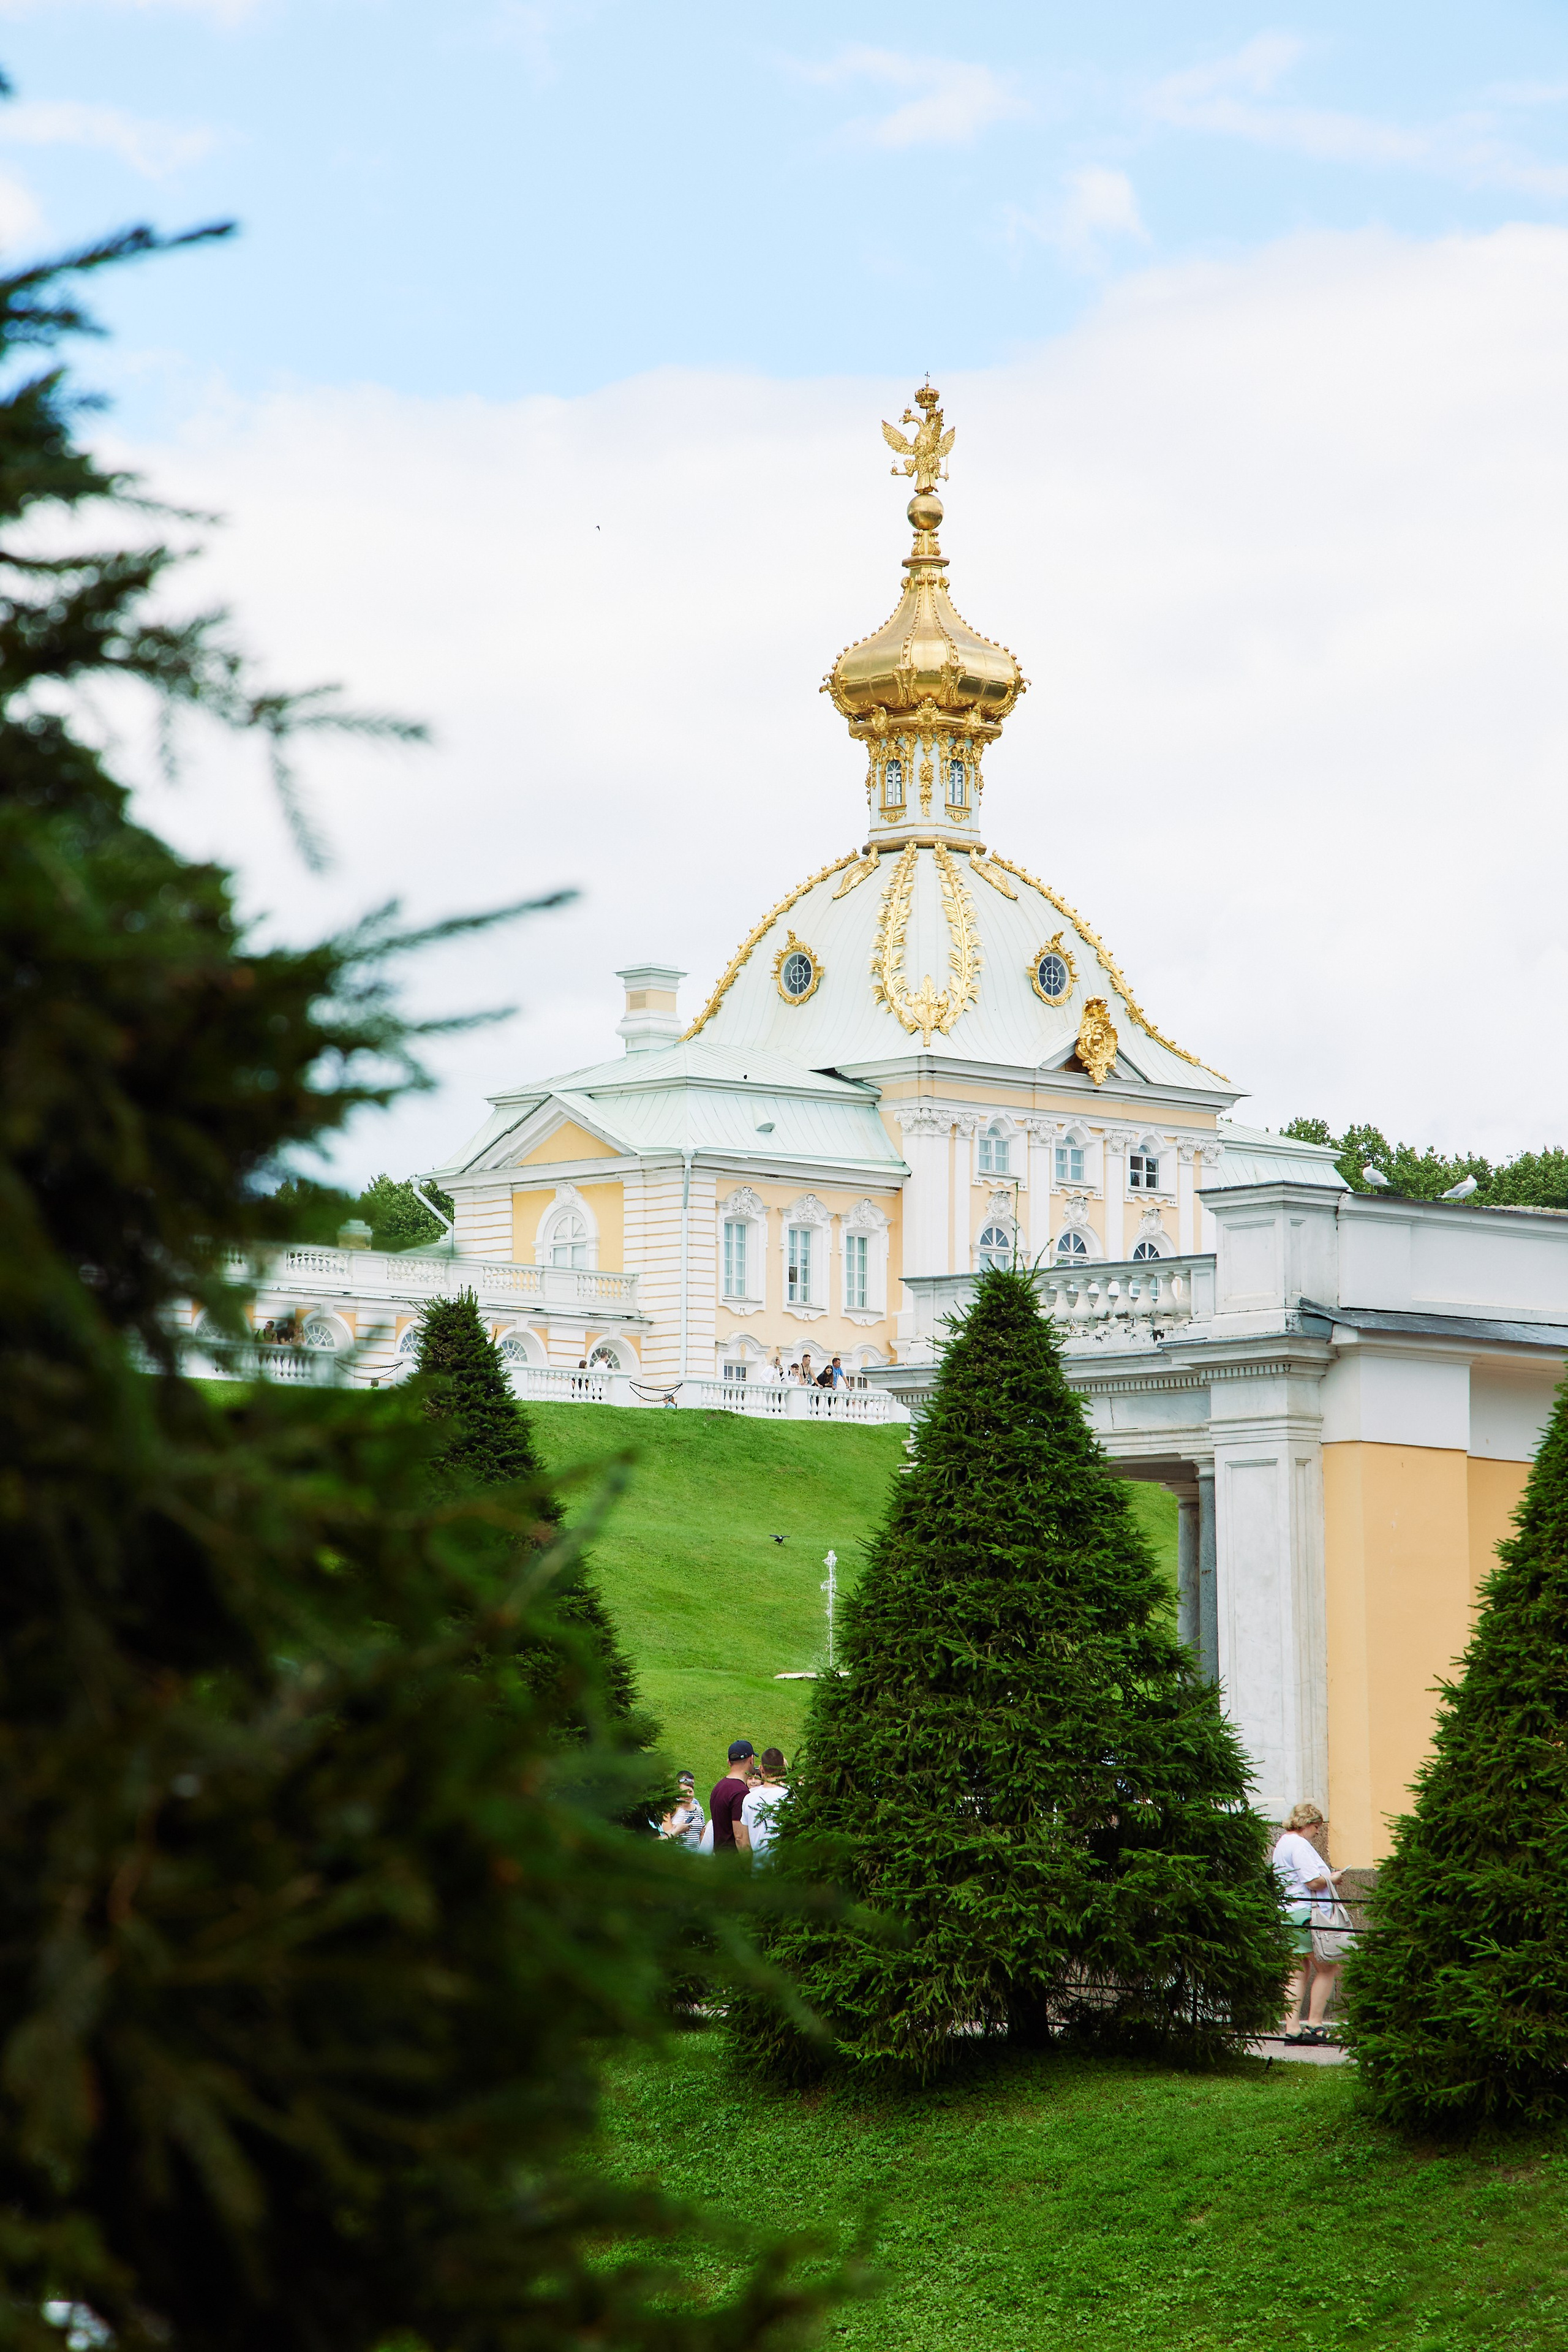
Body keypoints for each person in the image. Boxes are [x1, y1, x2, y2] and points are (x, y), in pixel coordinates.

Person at [1272, 1801, 1348, 2043]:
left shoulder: (1283, 1842)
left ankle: (1292, 2028)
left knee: (1297, 1970)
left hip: (1287, 1912)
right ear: (1308, 1824)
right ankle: (1315, 2024)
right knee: (1328, 1967)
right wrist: (1332, 1878)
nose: (1317, 1833)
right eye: (1317, 1827)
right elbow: (1312, 1882)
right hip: (1306, 1913)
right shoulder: (1300, 1844)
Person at [740, 1747, 789, 1866]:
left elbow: (744, 1842)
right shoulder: (791, 1795)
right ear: (783, 1767)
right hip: (785, 1871)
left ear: (761, 1768)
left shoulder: (749, 1798)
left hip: (758, 1871)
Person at [709, 1741, 754, 1854]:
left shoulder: (719, 1787)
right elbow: (740, 1839)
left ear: (729, 1762)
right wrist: (748, 1867)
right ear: (751, 1760)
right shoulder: (740, 1793)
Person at [657, 1771, 705, 1852]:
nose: (688, 1795)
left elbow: (701, 1834)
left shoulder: (699, 1810)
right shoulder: (671, 1810)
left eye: (690, 1792)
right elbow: (666, 1834)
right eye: (684, 1792)